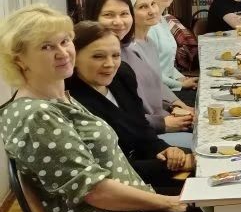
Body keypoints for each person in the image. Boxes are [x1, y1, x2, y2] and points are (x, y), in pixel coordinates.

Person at [0, 4, 213, 212]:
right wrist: (167, 203)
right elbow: (95, 191)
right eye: (46, 47)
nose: (62, 52)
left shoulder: (57, 96)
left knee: (214, 203)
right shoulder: (36, 115)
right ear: (19, 59)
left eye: (64, 41)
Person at [66, 21, 194, 194]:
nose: (110, 64)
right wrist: (172, 164)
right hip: (118, 183)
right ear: (73, 58)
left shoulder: (122, 75)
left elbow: (142, 129)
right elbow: (106, 171)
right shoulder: (72, 101)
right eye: (98, 57)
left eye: (116, 55)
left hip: (143, 159)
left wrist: (166, 149)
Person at [81, 0, 194, 147]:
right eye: (108, 15)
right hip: (133, 139)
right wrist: (162, 122)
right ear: (92, 17)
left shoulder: (134, 46)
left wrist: (175, 106)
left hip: (152, 122)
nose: (118, 22)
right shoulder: (100, 61)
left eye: (124, 14)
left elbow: (152, 87)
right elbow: (116, 118)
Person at [137, 0, 199, 102]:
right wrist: (180, 84)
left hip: (170, 85)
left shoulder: (163, 19)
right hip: (158, 93)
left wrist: (181, 78)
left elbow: (167, 64)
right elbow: (151, 72)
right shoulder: (147, 26)